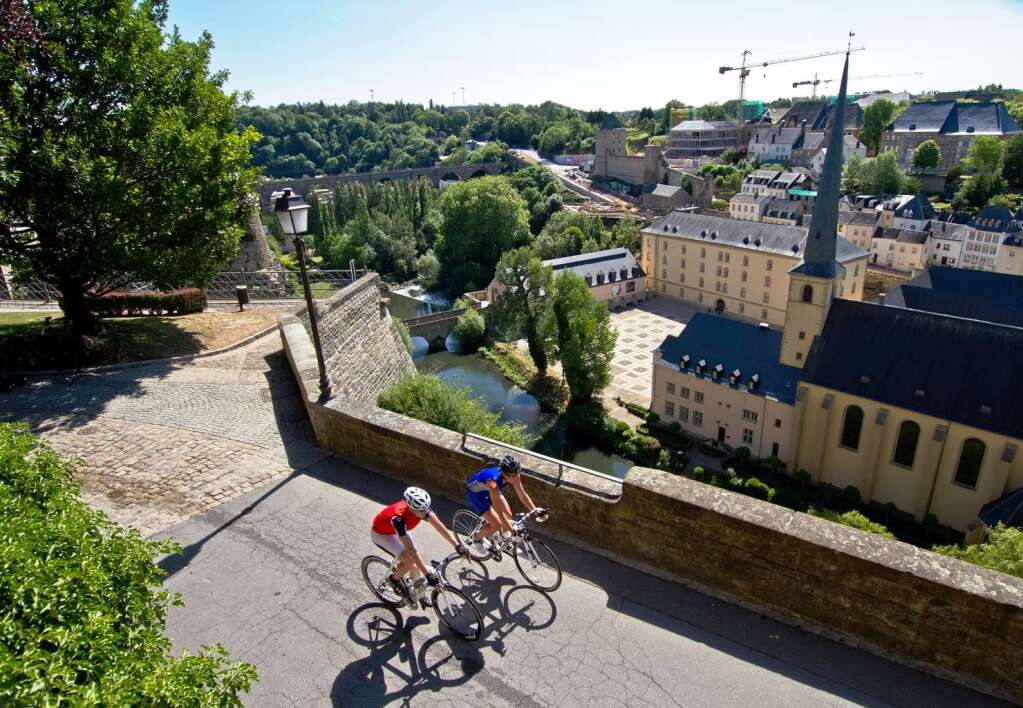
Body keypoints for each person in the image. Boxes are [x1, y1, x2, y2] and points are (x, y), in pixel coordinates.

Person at [370, 487, 467, 600]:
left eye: (427, 508)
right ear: (411, 508)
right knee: (410, 561)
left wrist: (457, 545)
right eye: (422, 510)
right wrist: (428, 575)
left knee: (416, 559)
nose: (426, 512)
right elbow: (411, 551)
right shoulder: (399, 519)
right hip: (382, 534)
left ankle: (417, 590)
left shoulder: (422, 509)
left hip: (398, 531)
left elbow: (439, 526)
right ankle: (393, 580)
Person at [465, 455, 546, 557]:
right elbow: (499, 513)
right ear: (503, 472)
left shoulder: (515, 475)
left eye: (516, 473)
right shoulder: (493, 483)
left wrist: (535, 511)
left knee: (508, 514)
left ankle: (505, 543)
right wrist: (512, 532)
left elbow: (522, 495)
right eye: (511, 475)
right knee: (497, 524)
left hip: (491, 491)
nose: (514, 477)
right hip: (476, 495)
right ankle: (477, 538)